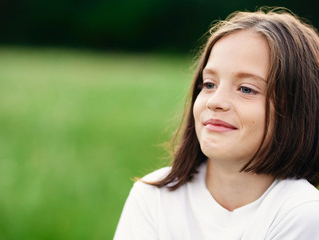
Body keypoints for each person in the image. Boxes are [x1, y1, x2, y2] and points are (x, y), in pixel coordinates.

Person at [114, 7, 319, 240]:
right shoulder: (153, 197)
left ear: (297, 110)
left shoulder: (302, 213)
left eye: (246, 89)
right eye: (209, 84)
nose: (215, 102)